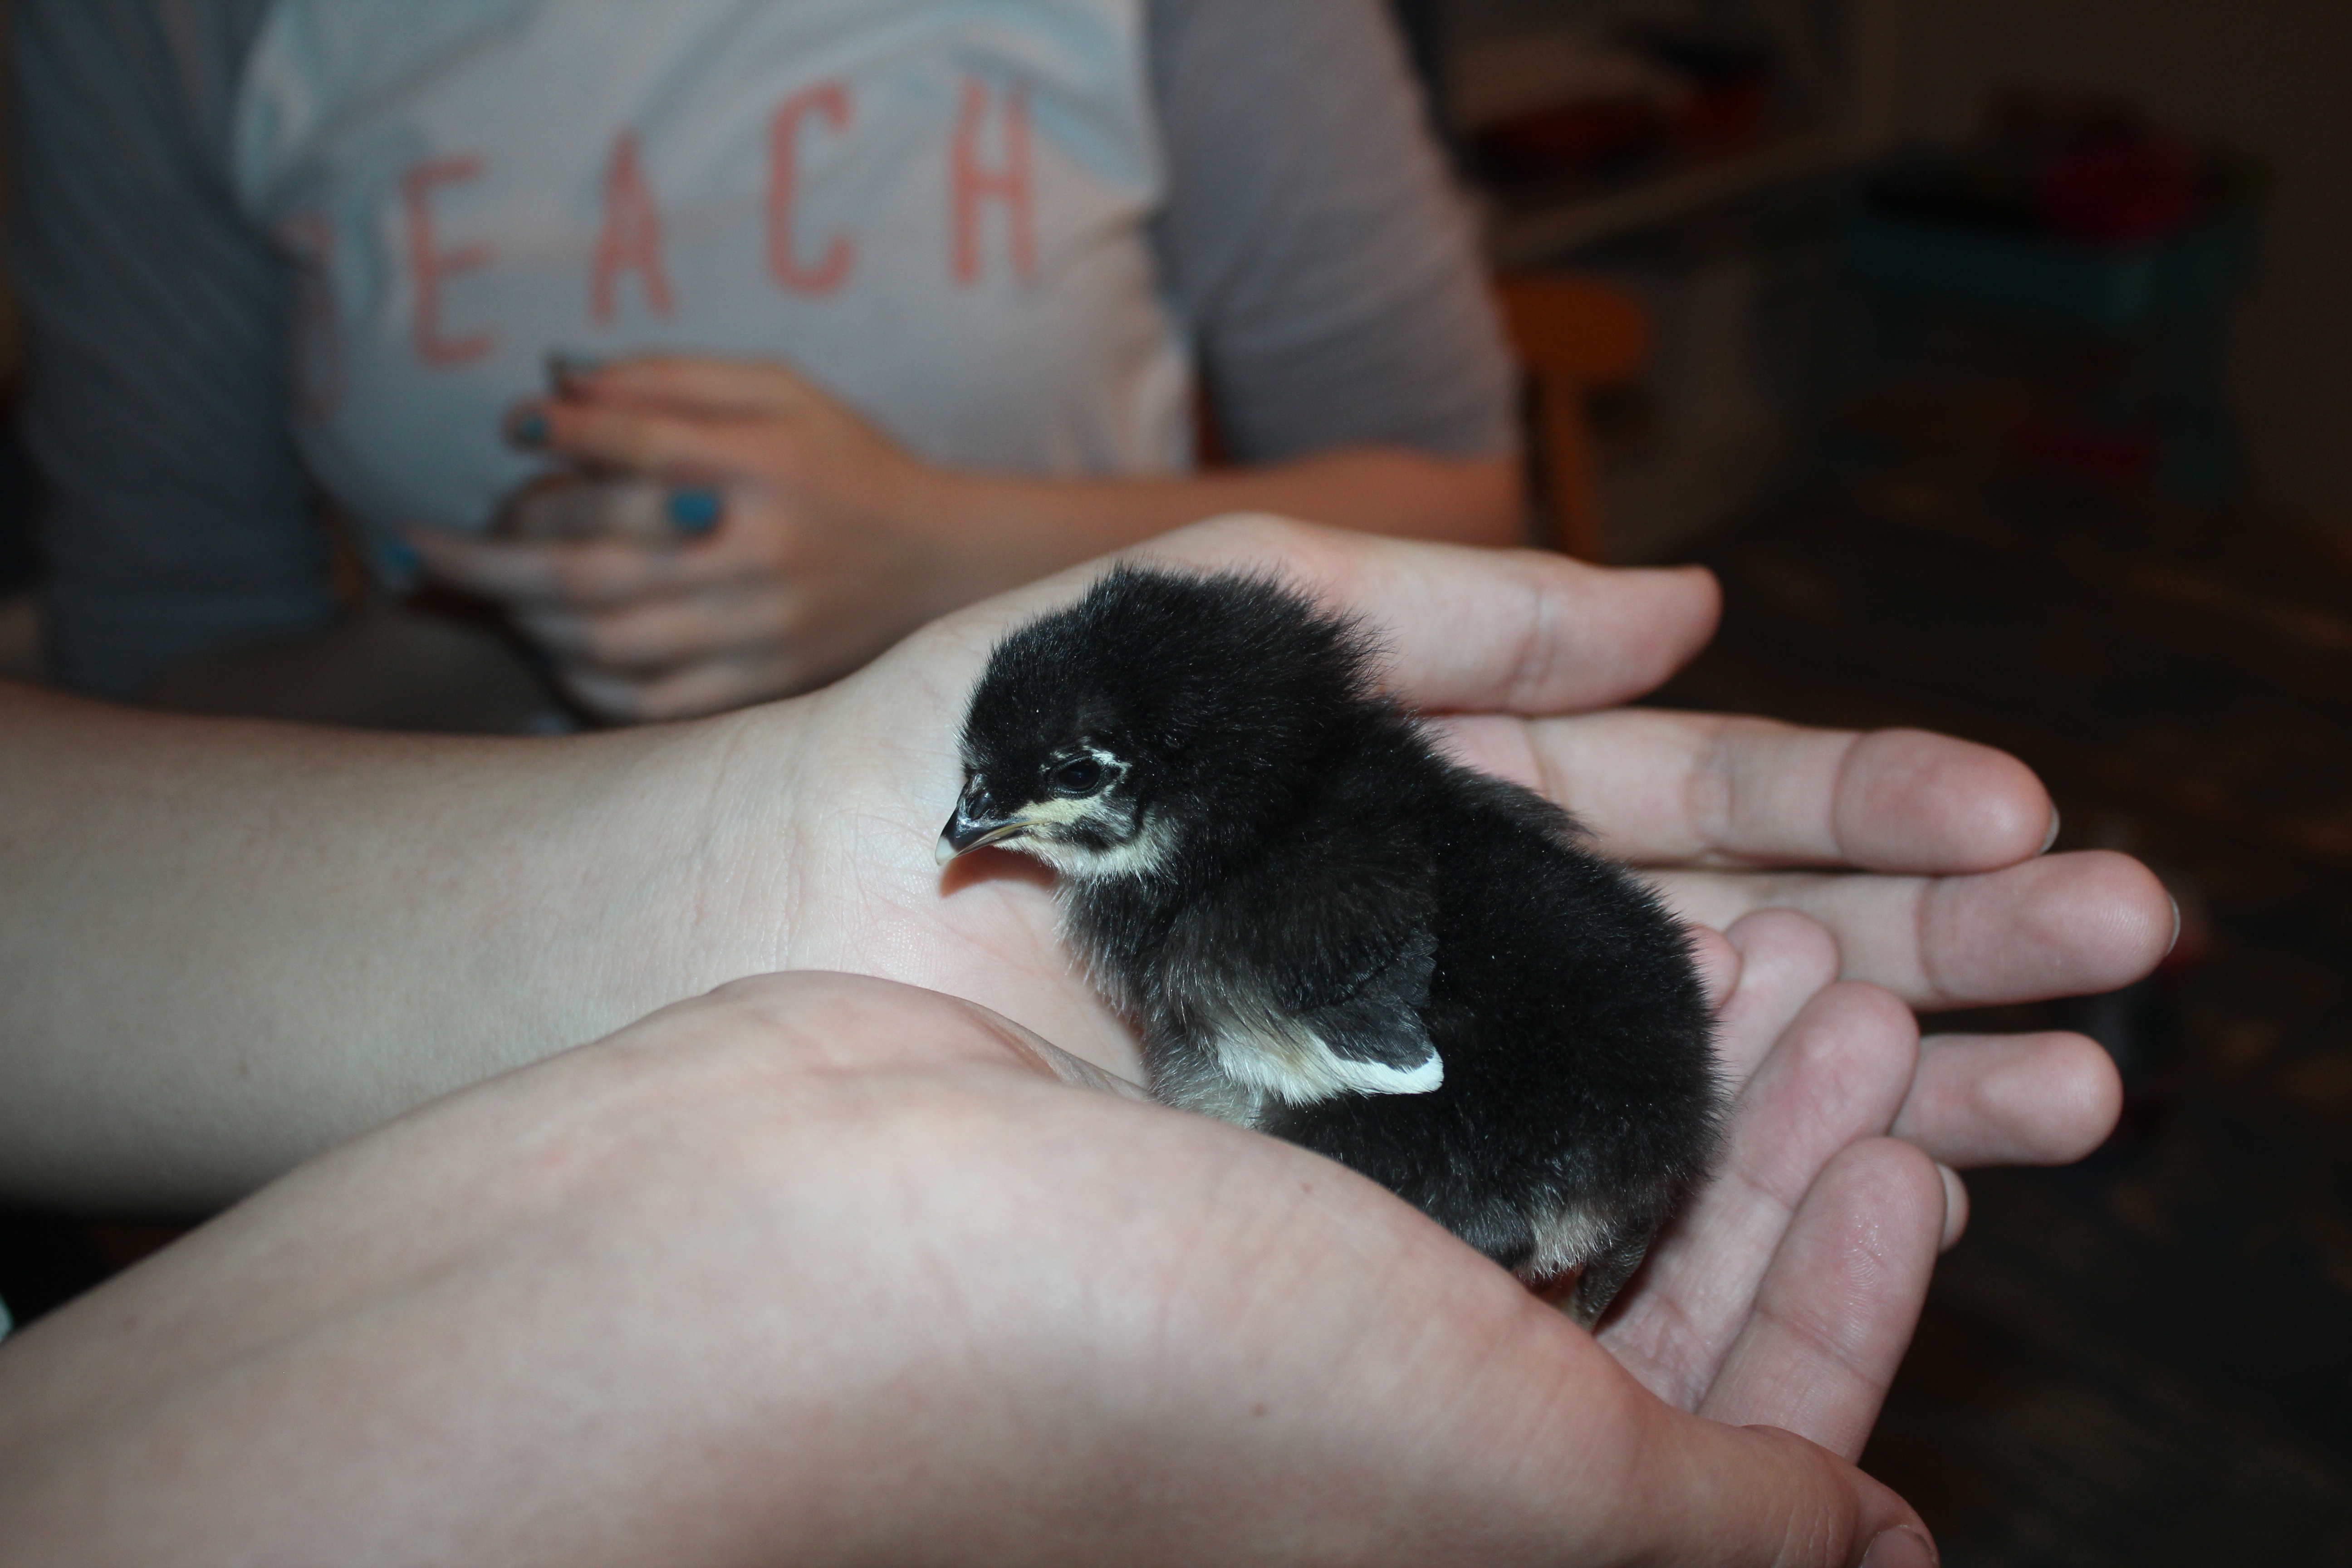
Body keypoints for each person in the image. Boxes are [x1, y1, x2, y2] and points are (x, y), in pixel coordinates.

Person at [0, 519, 2168, 1560]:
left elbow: (1449, 1030)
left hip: (1522, 1115)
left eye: (1028, 813)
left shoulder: (1265, 924)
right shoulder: (1322, 825)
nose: (983, 844)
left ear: (1140, 809)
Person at [11, 0, 1523, 724]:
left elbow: (1464, 511)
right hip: (502, 959)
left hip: (1105, 877)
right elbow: (151, 687)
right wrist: (520, 628)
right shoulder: (144, 33)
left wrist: (931, 559)